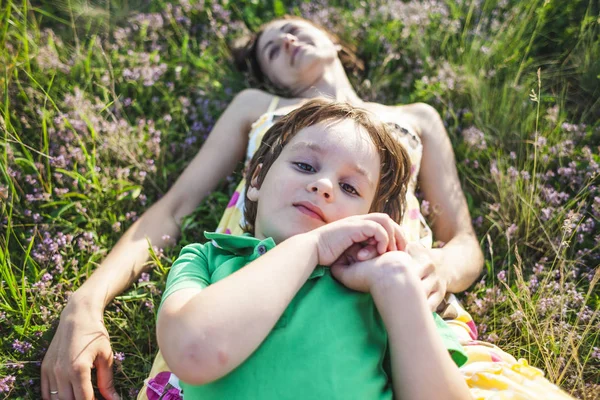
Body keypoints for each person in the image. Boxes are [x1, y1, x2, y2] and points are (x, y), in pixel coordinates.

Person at [41, 14, 574, 400]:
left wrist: (431, 269)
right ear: (272, 81)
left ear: (334, 42)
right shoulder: (261, 109)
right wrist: (85, 302)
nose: (287, 39)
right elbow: (175, 206)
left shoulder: (419, 118)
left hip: (386, 291)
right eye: (272, 48)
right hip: (248, 292)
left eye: (293, 27)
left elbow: (463, 241)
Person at [156, 99, 470, 399]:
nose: (323, 185)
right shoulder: (205, 260)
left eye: (349, 187)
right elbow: (193, 353)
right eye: (305, 166)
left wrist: (397, 282)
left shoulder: (380, 290)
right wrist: (313, 245)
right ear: (256, 181)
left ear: (369, 221)